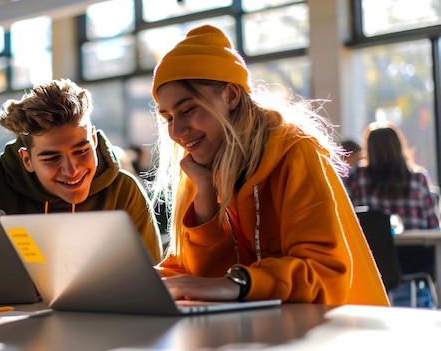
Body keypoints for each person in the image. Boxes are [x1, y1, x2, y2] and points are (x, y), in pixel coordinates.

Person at [148, 24, 388, 306]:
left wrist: (241, 283)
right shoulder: (203, 167)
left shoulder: (295, 152)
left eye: (187, 110)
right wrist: (204, 194)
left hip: (338, 330)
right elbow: (203, 278)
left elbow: (325, 274)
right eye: (168, 118)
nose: (176, 132)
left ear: (231, 96)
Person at [0, 79, 162, 262]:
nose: (72, 170)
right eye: (52, 158)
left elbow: (153, 277)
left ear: (93, 140)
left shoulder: (124, 191)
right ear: (27, 160)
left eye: (82, 151)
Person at [343, 121, 440, 307]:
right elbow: (433, 224)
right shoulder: (419, 178)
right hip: (417, 259)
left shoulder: (357, 177)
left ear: (369, 149)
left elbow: (348, 217)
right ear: (399, 146)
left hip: (376, 260)